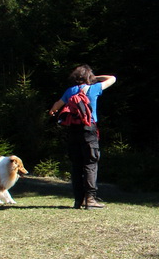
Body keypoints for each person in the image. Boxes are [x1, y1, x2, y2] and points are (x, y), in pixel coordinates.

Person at [49, 65, 116, 209]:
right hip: (89, 129)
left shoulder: (70, 91)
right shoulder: (94, 88)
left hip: (73, 130)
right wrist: (94, 79)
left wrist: (52, 112)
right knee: (90, 163)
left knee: (76, 165)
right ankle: (90, 200)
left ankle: (78, 201)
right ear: (88, 77)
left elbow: (55, 106)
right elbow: (112, 78)